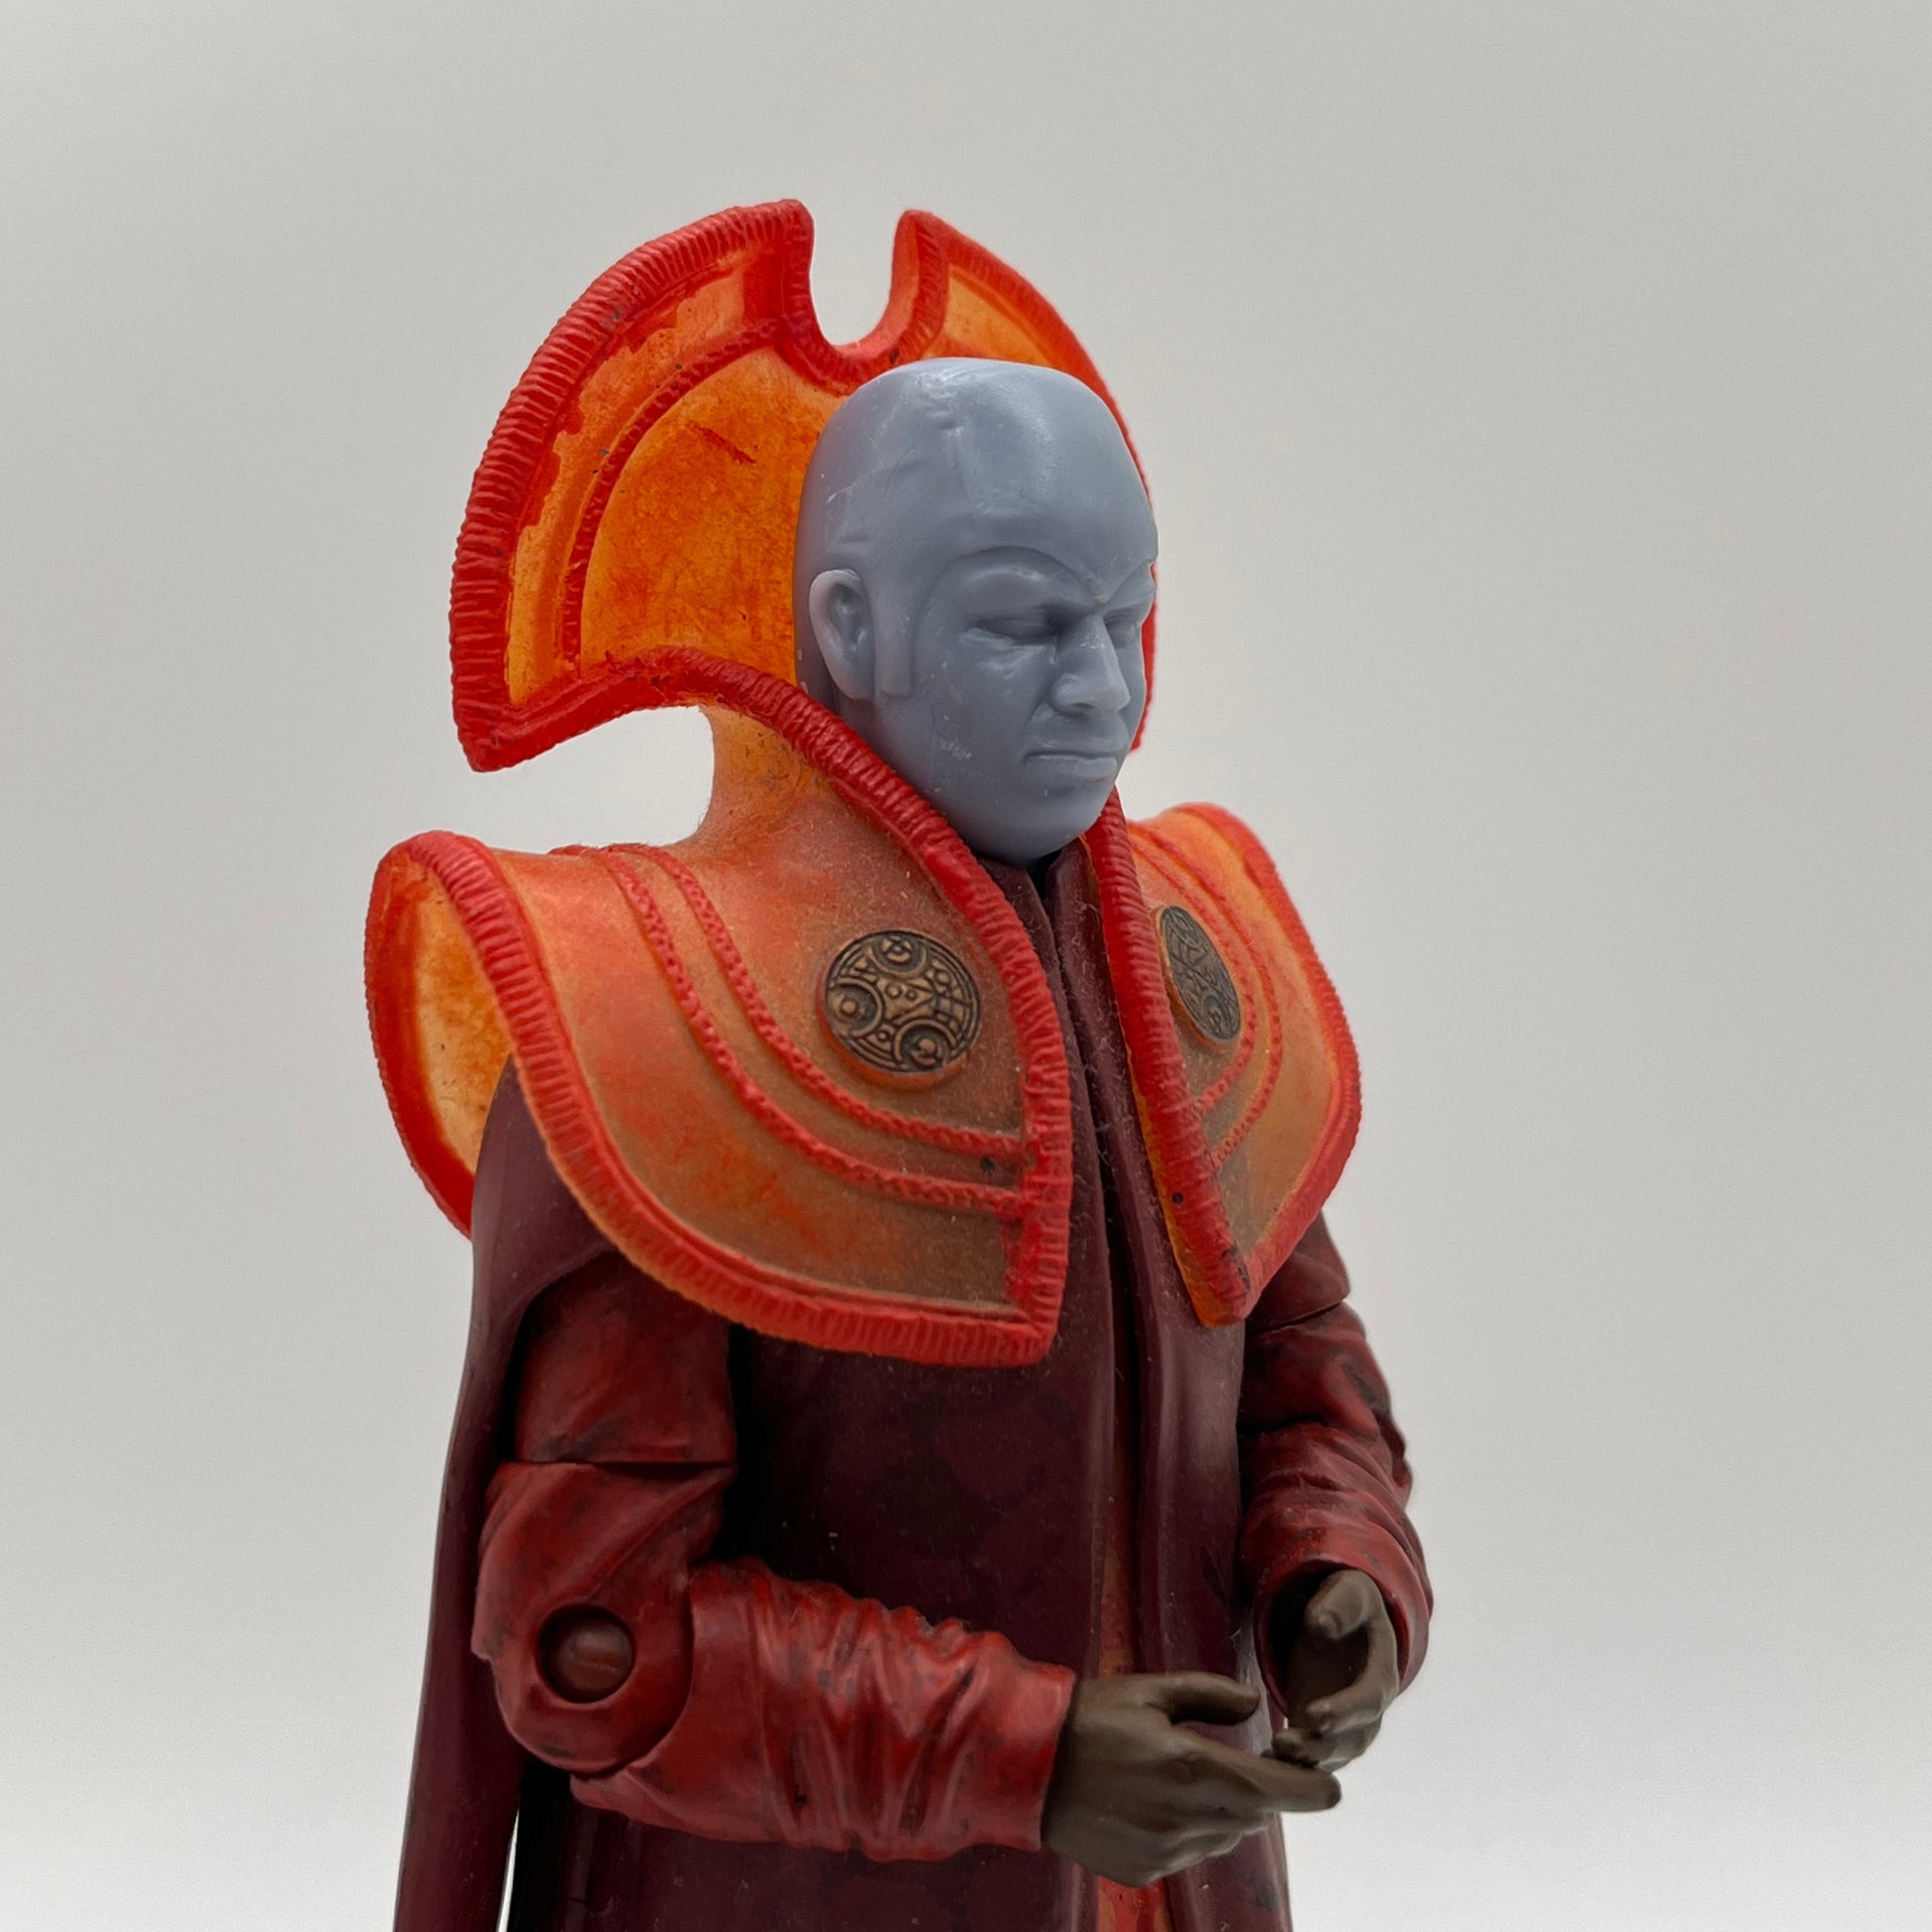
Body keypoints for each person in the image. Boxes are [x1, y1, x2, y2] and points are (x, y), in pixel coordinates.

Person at [367, 207, 1430, 1932]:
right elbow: (595, 1641)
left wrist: (1337, 1567)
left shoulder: (1201, 963)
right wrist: (1022, 1755)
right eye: (1025, 624)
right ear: (847, 625)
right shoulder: (654, 1017)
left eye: (1128, 620)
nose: (1102, 690)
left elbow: (1302, 1370)